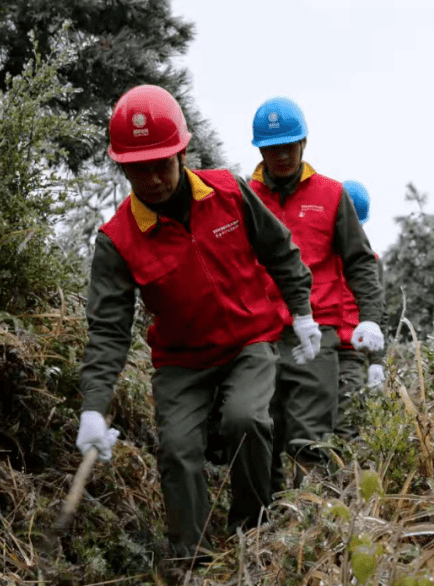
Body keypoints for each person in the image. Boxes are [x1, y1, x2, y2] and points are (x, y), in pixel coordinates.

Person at [75, 85, 319, 573]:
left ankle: (254, 531)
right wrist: (93, 409)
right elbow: (108, 331)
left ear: (182, 152)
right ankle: (194, 562)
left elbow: (279, 249)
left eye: (161, 163)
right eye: (136, 168)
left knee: (245, 421)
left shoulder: (228, 192)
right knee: (178, 450)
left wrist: (301, 309)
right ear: (121, 167)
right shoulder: (118, 241)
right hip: (181, 363)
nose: (152, 179)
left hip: (249, 340)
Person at [248, 97, 385, 490]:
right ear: (260, 149)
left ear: (304, 143)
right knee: (263, 433)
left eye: (288, 146)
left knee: (310, 437)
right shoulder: (245, 197)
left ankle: (311, 523)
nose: (281, 156)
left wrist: (371, 322)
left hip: (318, 334)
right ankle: (265, 528)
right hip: (261, 335)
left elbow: (360, 262)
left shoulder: (332, 195)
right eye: (272, 148)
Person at [335, 180, 388, 440]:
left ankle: (345, 478)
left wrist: (376, 363)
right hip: (316, 347)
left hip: (351, 354)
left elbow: (380, 314)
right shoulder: (314, 255)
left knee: (347, 423)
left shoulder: (371, 263)